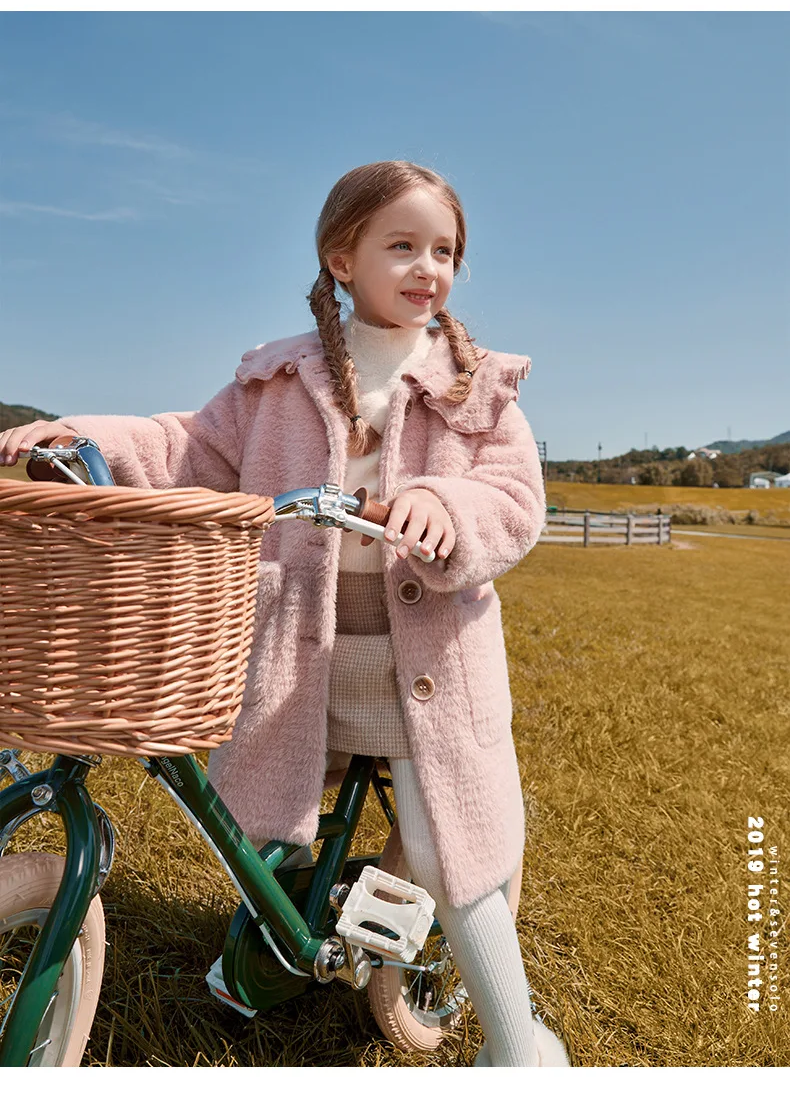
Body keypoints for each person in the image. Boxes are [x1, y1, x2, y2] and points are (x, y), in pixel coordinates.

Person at [0, 160, 569, 1068]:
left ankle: (518, 1043)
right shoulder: (280, 380)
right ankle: (274, 942)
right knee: (269, 818)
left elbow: (512, 499)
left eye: (446, 250)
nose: (429, 267)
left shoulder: (475, 386)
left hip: (425, 662)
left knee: (448, 841)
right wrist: (81, 434)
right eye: (403, 246)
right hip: (300, 651)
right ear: (342, 260)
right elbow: (185, 442)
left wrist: (444, 506)